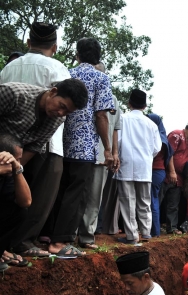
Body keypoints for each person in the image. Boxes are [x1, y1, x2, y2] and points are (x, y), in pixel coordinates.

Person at [0, 22, 82, 257]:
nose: (62, 113)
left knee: (10, 194)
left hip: (14, 143)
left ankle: (6, 244)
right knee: (36, 197)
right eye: (62, 107)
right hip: (43, 145)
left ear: (29, 43)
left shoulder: (10, 67)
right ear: (54, 47)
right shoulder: (58, 68)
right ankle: (22, 242)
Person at [44, 37, 114, 257]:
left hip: (59, 142)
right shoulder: (101, 78)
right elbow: (101, 115)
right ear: (98, 56)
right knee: (76, 194)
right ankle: (61, 240)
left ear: (78, 54)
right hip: (83, 146)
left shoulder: (67, 73)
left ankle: (46, 235)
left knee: (57, 190)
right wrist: (108, 148)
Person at [78, 62, 123, 249]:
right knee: (76, 194)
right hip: (79, 152)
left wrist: (114, 152)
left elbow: (115, 128)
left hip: (101, 156)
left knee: (95, 198)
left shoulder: (112, 100)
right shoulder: (80, 93)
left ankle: (87, 236)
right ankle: (68, 233)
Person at [114, 89, 161, 244]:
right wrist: (147, 157)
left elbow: (118, 141)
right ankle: (146, 232)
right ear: (145, 105)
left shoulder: (123, 119)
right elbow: (157, 148)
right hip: (144, 166)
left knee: (127, 201)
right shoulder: (152, 124)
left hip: (126, 163)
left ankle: (132, 235)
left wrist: (118, 155)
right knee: (144, 200)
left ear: (129, 103)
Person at [163, 120, 188, 234]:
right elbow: (169, 153)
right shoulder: (176, 135)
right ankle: (149, 226)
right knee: (158, 201)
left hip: (179, 178)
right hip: (167, 174)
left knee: (173, 204)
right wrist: (172, 171)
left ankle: (172, 228)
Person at [0, 134, 32, 270]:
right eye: (16, 159)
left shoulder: (10, 172)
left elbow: (26, 202)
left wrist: (17, 169)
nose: (19, 162)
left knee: (19, 211)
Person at [148, 113, 172, 237]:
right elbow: (170, 155)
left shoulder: (154, 137)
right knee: (154, 200)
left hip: (153, 171)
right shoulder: (164, 138)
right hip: (160, 171)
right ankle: (154, 231)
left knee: (151, 201)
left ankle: (153, 231)